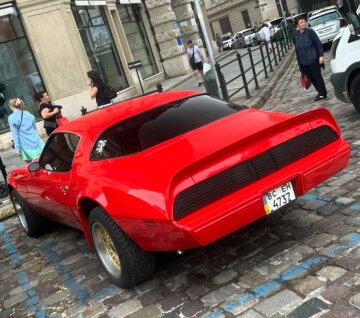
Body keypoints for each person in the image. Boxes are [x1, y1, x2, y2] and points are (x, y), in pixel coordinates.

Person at [293, 17, 327, 101]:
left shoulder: (310, 32)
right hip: (303, 61)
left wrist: (321, 56)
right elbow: (297, 49)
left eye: (304, 21)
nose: (303, 23)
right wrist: (300, 63)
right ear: (297, 25)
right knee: (311, 78)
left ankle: (323, 93)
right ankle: (320, 92)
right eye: (301, 22)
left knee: (317, 76)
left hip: (313, 58)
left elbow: (318, 44)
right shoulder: (295, 35)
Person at [8, 98, 44, 163]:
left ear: (11, 106)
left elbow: (15, 135)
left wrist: (17, 149)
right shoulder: (28, 113)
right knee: (43, 160)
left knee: (30, 165)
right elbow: (34, 127)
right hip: (37, 140)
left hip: (25, 143)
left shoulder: (11, 118)